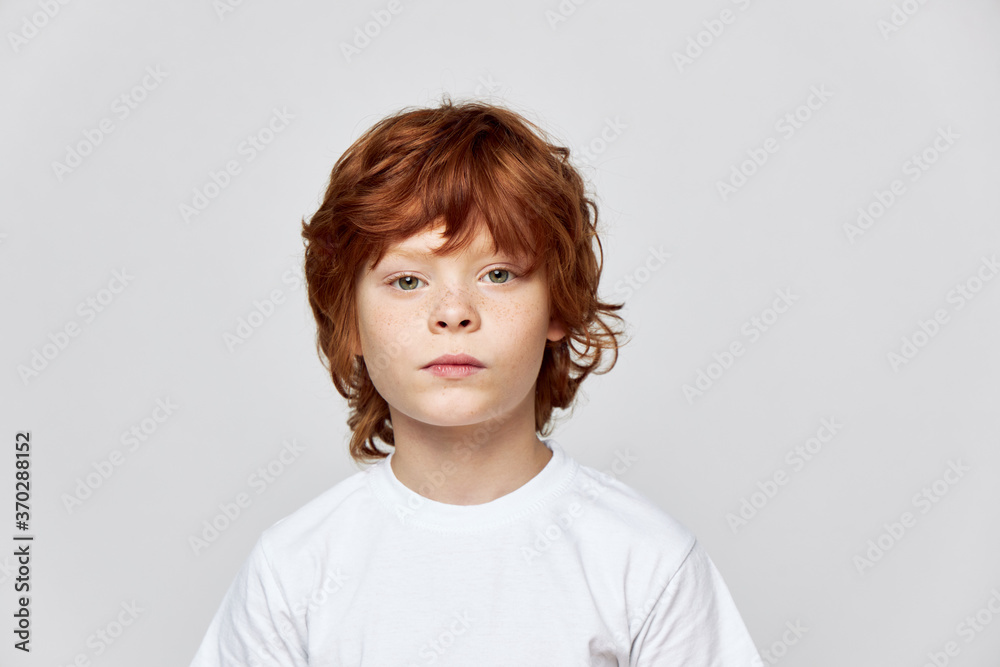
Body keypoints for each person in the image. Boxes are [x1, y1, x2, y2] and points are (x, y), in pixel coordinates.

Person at [189, 96, 763, 665]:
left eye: (499, 274)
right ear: (350, 321)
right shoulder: (292, 571)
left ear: (558, 306)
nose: (453, 313)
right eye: (408, 281)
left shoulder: (647, 563)